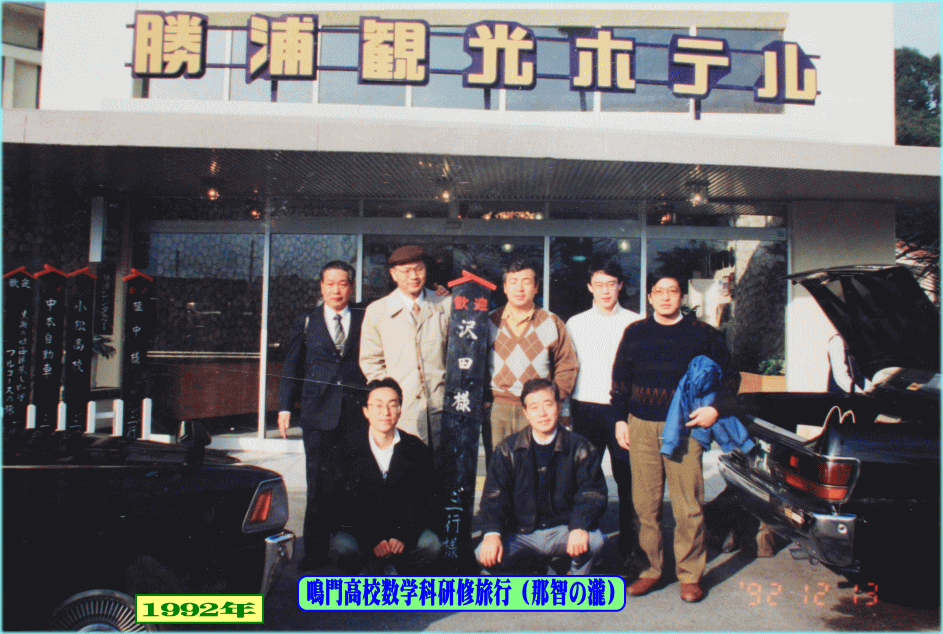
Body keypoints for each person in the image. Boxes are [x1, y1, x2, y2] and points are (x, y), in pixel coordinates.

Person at [611, 275, 739, 603]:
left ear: (682, 296)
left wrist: (714, 409)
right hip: (641, 426)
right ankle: (649, 570)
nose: (666, 297)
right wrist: (619, 419)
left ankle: (690, 575)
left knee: (688, 504)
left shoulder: (703, 333)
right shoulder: (635, 332)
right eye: (659, 292)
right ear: (650, 297)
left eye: (673, 291)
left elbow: (730, 377)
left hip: (685, 427)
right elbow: (621, 379)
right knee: (645, 504)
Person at [276, 260, 366, 570]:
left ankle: (349, 550)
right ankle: (314, 554)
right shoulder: (306, 321)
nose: (336, 290)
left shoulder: (365, 317)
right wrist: (285, 407)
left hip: (356, 414)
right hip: (318, 414)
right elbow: (292, 366)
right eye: (330, 283)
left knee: (354, 482)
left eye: (343, 283)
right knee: (317, 485)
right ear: (321, 287)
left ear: (351, 287)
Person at [477, 378, 607, 575]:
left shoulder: (580, 447)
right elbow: (493, 497)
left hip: (564, 529)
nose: (542, 413)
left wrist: (579, 526)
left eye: (548, 404)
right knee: (483, 553)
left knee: (595, 541)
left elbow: (592, 493)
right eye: (534, 407)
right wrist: (492, 534)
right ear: (525, 412)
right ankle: (540, 571)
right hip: (521, 533)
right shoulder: (507, 449)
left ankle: (574, 580)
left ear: (559, 406)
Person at [321, 378, 443, 574]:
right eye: (378, 405)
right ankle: (371, 570)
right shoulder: (347, 448)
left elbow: (426, 500)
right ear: (366, 411)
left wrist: (404, 536)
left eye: (392, 405)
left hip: (402, 536)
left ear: (400, 411)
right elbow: (337, 503)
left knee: (431, 545)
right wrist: (371, 539)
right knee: (341, 547)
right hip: (362, 534)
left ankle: (395, 570)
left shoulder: (415, 448)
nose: (385, 412)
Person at [565, 257, 642, 567]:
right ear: (589, 287)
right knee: (587, 478)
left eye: (611, 284)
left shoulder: (636, 322)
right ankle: (588, 544)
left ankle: (630, 549)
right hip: (585, 408)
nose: (606, 290)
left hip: (623, 411)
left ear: (620, 285)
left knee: (628, 479)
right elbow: (568, 367)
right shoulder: (576, 323)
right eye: (599, 285)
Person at [360, 245, 451, 459]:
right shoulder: (377, 311)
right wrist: (390, 396)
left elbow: (458, 356)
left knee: (443, 468)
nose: (413, 276)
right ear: (393, 274)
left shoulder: (446, 305)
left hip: (441, 408)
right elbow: (370, 361)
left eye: (419, 269)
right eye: (406, 271)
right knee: (407, 467)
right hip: (403, 410)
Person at [486, 259, 578, 462]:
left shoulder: (552, 322)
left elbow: (567, 365)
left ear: (536, 287)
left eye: (526, 282)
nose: (519, 288)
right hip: (497, 408)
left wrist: (554, 400)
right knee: (499, 466)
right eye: (513, 282)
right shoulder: (488, 321)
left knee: (536, 467)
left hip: (537, 407)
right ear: (504, 287)